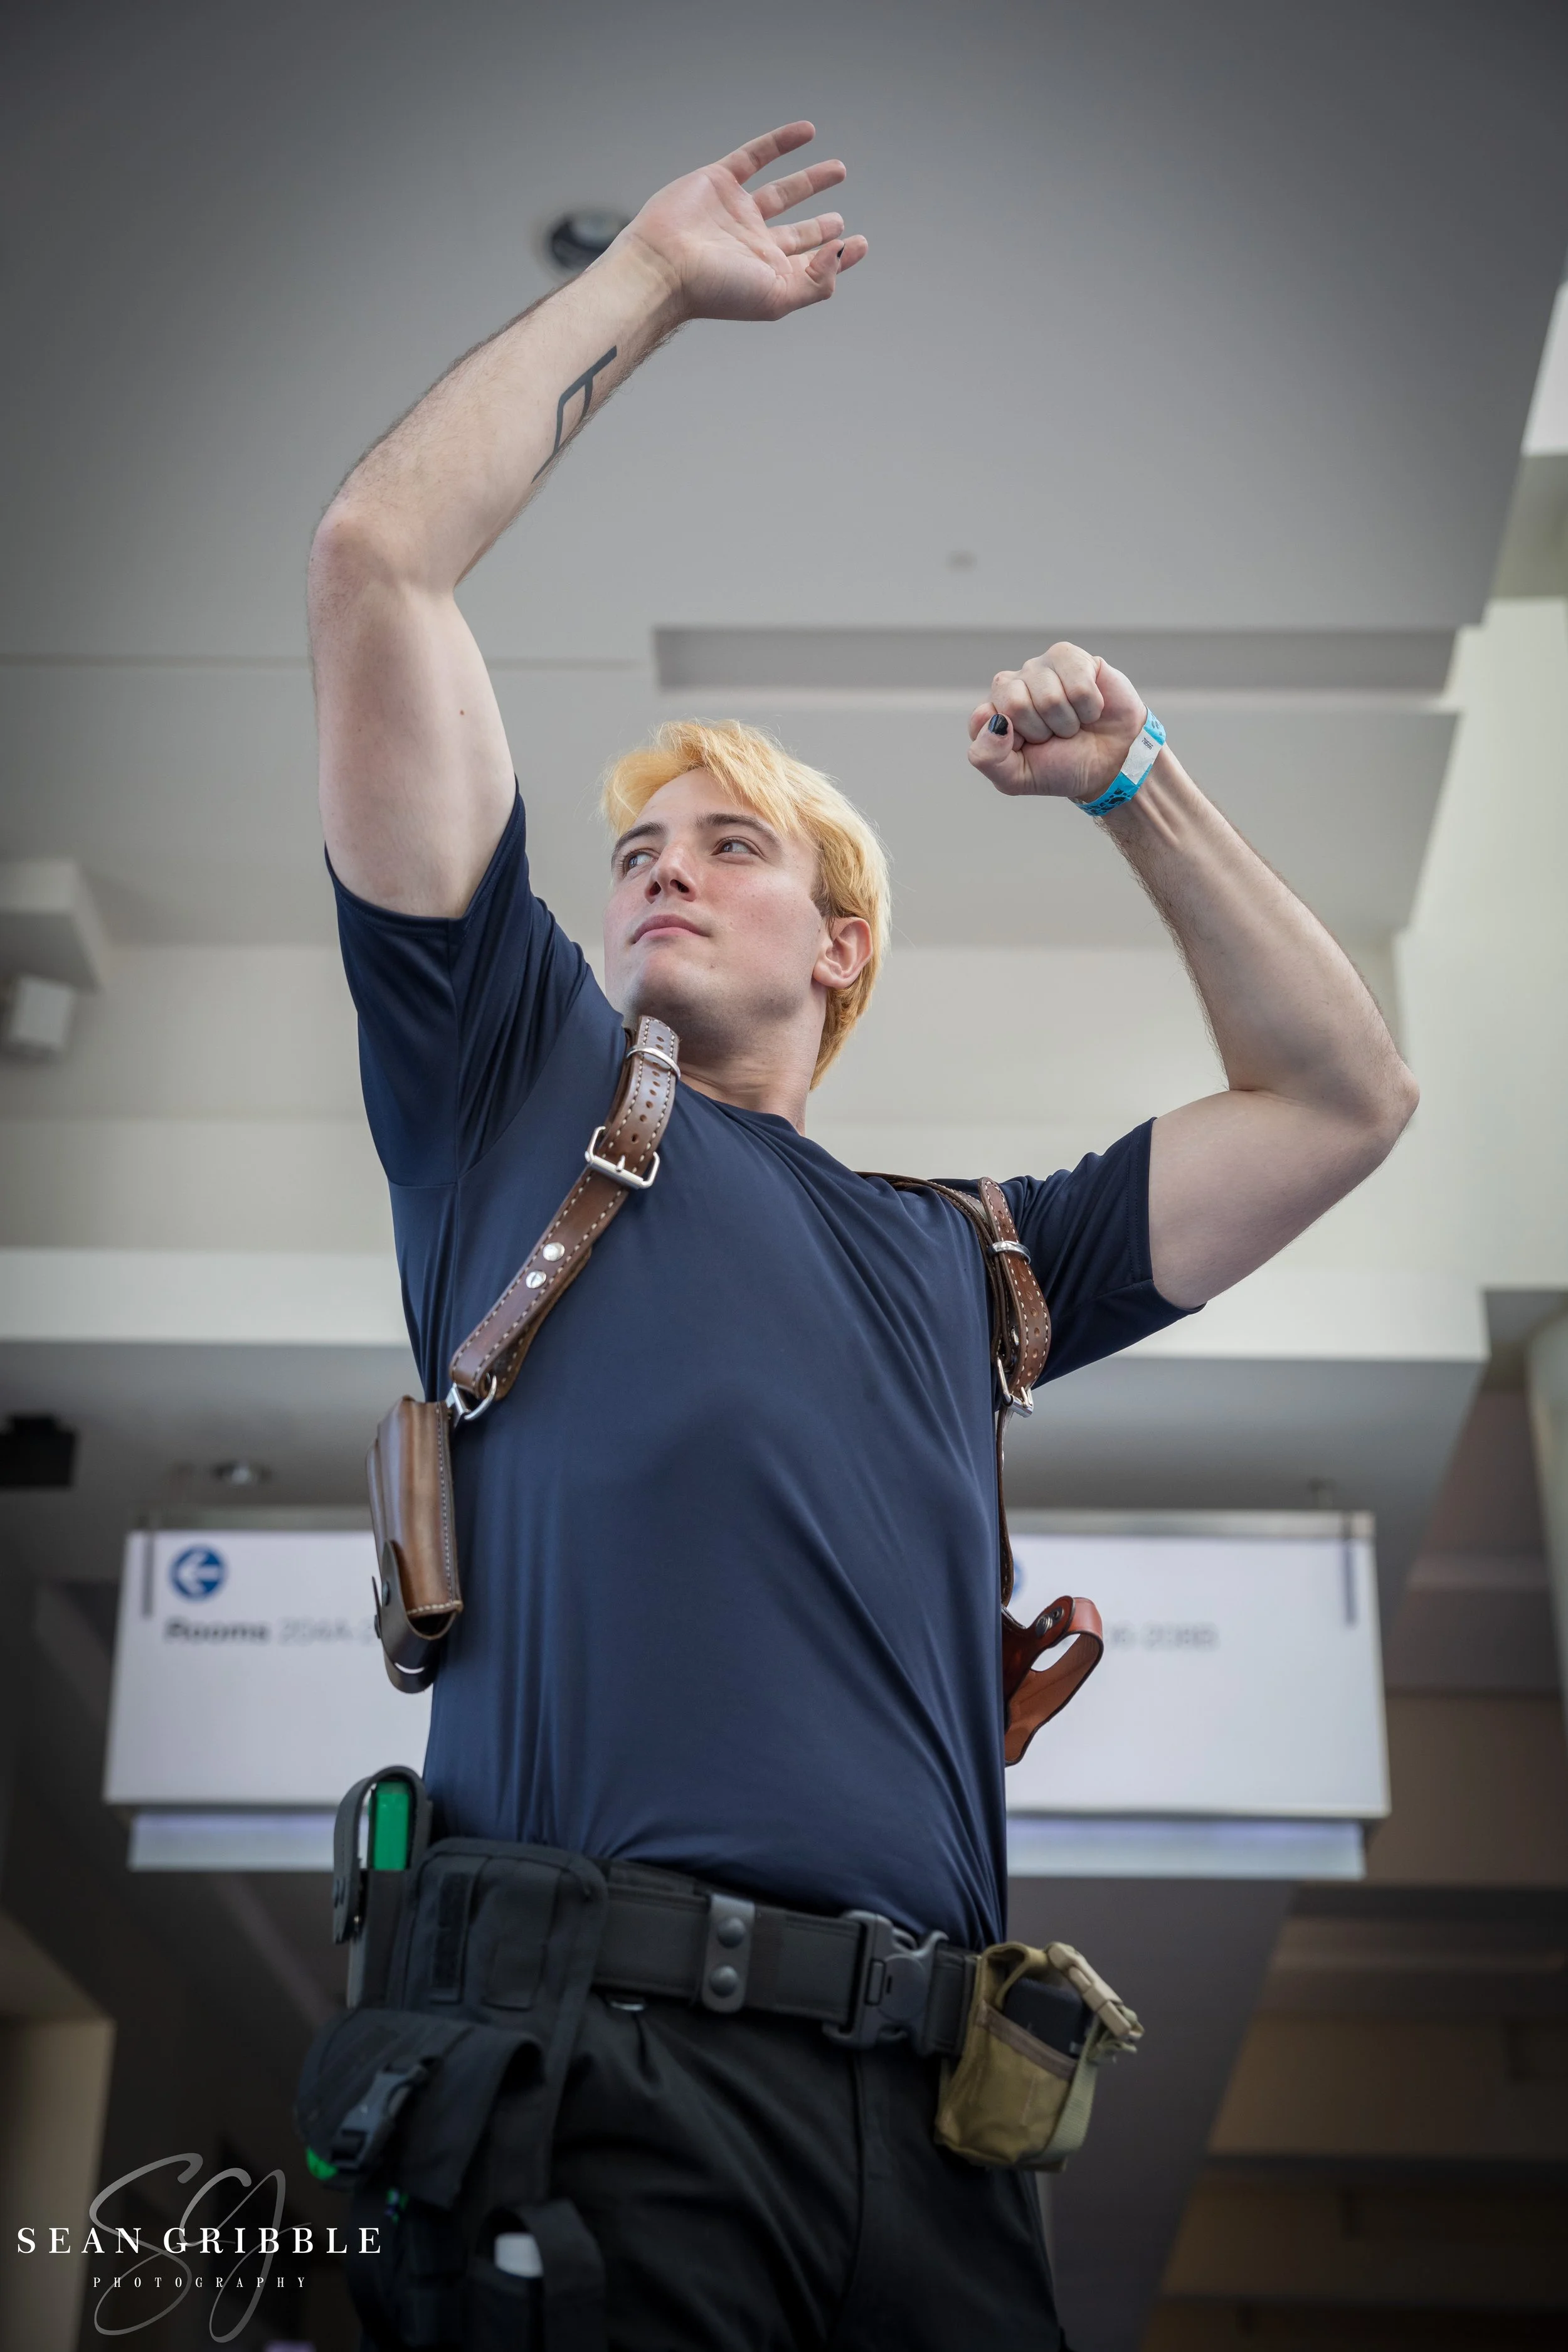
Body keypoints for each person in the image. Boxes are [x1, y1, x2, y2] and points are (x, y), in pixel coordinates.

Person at [311, 120, 1417, 2352]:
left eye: (729, 844)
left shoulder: (975, 1265)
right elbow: (379, 562)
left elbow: (1340, 1098)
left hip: (940, 2133)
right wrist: (647, 275)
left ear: (839, 946)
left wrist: (1140, 783)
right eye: (640, 849)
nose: (660, 866)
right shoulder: (512, 1088)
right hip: (590, 2086)